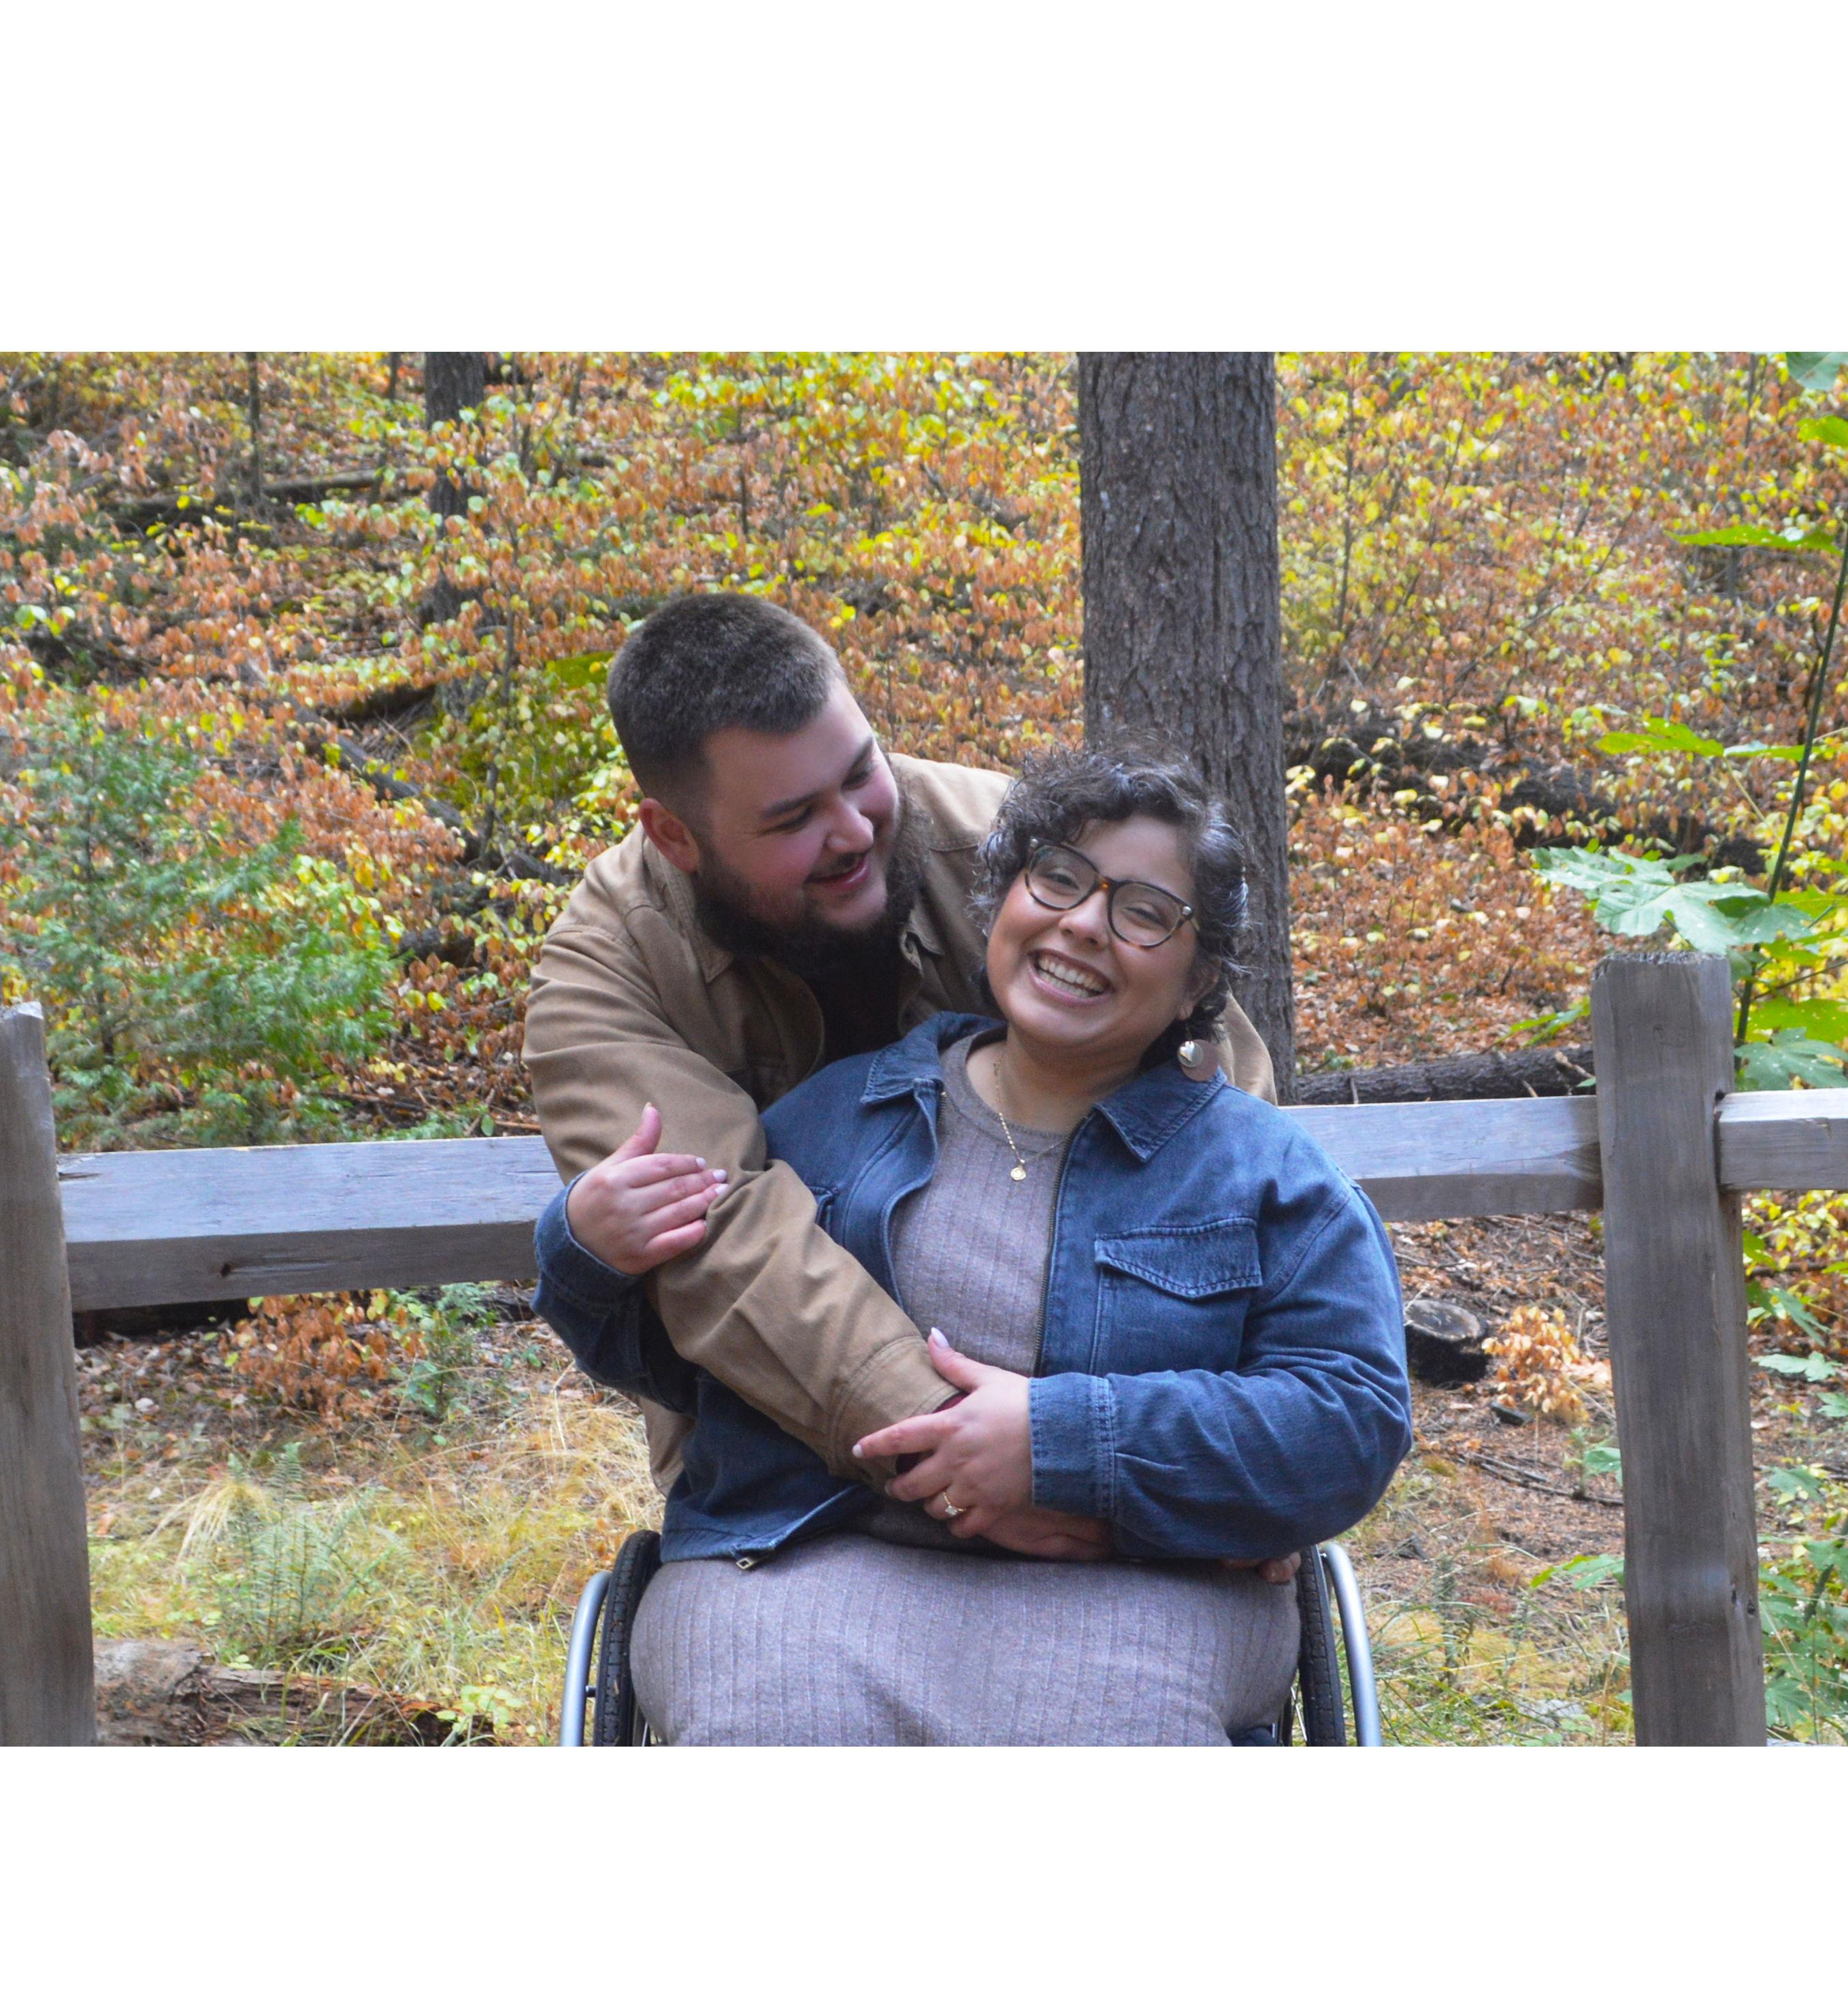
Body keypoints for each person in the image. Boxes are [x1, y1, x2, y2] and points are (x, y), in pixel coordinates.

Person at [535, 746, 1413, 1745]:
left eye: (1143, 912)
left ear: (1197, 980)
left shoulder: (1269, 1177)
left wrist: (1062, 1441)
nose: (1084, 924)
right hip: (803, 1570)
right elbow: (678, 1362)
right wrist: (588, 1255)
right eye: (1059, 879)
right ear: (1001, 901)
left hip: (1140, 1590)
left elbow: (1350, 1418)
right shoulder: (829, 1121)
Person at [523, 592, 1274, 1563]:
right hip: (792, 1475)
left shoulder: (1028, 858)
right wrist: (949, 1451)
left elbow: (1228, 1115)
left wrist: (1211, 1469)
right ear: (675, 836)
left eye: (860, 773)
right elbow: (723, 1243)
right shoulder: (605, 974)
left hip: (1107, 1406)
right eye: (793, 818)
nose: (852, 831)